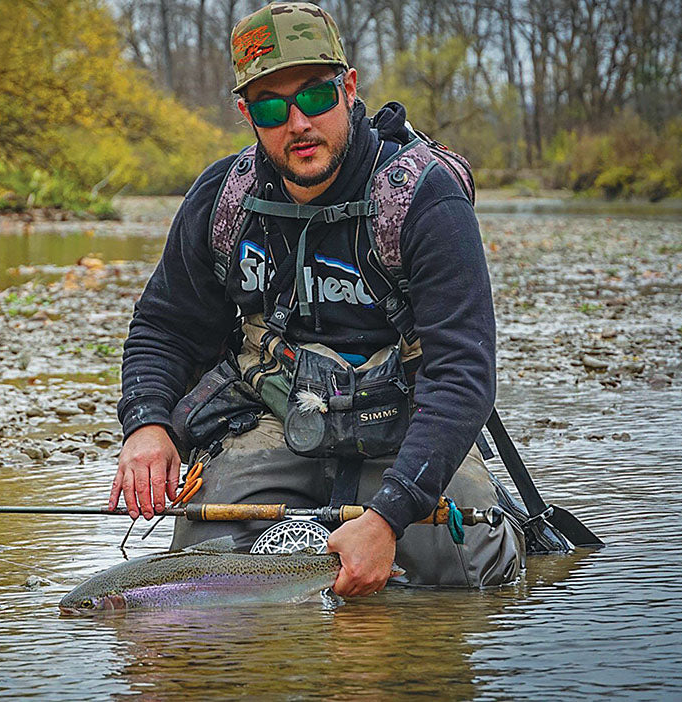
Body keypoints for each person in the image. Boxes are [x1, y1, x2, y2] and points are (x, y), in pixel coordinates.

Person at [108, 1, 524, 595]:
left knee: (471, 574)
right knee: (197, 582)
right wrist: (146, 426)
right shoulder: (222, 199)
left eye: (316, 96)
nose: (298, 122)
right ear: (246, 112)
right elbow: (165, 328)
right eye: (272, 106)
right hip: (274, 418)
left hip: (407, 426)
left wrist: (388, 515)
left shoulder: (424, 198)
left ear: (349, 88)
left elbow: (462, 374)